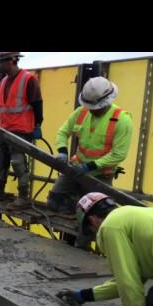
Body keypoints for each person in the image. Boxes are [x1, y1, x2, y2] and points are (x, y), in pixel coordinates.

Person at [58, 193, 153, 306]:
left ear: (93, 220)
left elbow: (127, 281)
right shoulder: (131, 216)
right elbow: (130, 279)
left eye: (91, 230)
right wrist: (84, 295)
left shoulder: (110, 226)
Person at [46, 77, 132, 215]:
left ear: (106, 102)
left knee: (95, 216)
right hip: (75, 169)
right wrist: (62, 151)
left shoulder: (122, 120)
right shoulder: (81, 112)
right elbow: (63, 132)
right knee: (54, 203)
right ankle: (72, 212)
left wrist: (89, 167)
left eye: (94, 108)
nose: (91, 110)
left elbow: (118, 154)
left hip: (100, 176)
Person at [0, 52, 44, 209]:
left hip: (21, 128)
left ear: (12, 61)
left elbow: (37, 103)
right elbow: (0, 107)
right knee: (0, 158)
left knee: (18, 161)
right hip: (5, 128)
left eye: (0, 62)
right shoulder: (4, 81)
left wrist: (37, 125)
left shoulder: (28, 79)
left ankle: (23, 196)